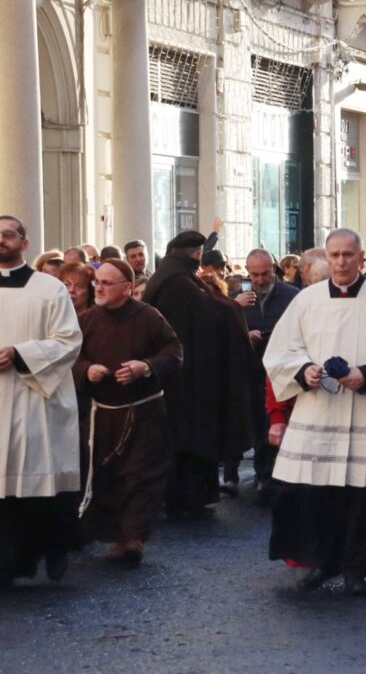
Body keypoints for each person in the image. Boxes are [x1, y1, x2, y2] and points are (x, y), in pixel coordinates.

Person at [263, 228, 366, 595]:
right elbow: (280, 352)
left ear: (361, 257)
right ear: (327, 256)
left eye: (348, 255)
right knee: (315, 492)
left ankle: (356, 567)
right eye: (334, 255)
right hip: (317, 412)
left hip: (365, 410)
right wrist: (304, 370)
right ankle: (321, 562)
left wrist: (365, 374)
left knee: (359, 496)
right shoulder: (306, 301)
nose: (340, 262)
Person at [73, 260, 182, 566]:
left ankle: (133, 537)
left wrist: (145, 367)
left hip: (143, 414)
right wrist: (86, 370)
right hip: (103, 415)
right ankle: (117, 536)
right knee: (108, 477)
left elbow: (174, 353)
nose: (100, 287)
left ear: (127, 287)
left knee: (140, 476)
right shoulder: (87, 320)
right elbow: (70, 358)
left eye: (107, 283)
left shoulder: (149, 317)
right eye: (97, 282)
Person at [143, 231, 257, 519]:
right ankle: (185, 498)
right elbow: (205, 316)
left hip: (184, 373)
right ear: (190, 253)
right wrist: (231, 307)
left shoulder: (173, 277)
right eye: (197, 255)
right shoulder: (178, 283)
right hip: (187, 376)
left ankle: (188, 496)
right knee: (188, 438)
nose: (198, 260)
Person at [0, 215, 82, 587]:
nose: (2, 240)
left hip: (35, 397)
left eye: (8, 234)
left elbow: (69, 339)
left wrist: (20, 353)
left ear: (24, 242)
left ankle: (48, 549)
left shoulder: (49, 288)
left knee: (36, 485)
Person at [229, 249, 299, 499]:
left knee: (280, 420)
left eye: (265, 273)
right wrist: (241, 328)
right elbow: (224, 333)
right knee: (259, 422)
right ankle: (263, 472)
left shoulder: (292, 296)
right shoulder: (237, 298)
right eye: (254, 274)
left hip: (283, 368)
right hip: (251, 369)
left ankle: (277, 471)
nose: (259, 280)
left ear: (274, 270)